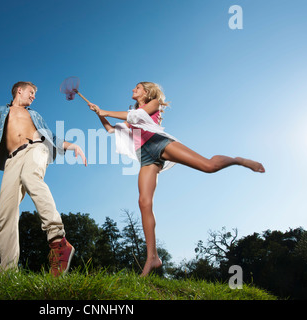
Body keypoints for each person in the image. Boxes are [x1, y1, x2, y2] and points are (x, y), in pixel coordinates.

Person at [88, 81, 265, 276]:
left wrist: (105, 111)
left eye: (136, 88)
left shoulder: (153, 103)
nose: (132, 90)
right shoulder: (129, 116)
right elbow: (112, 130)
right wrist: (99, 113)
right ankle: (152, 257)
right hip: (145, 157)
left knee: (208, 166)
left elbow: (137, 116)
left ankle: (237, 160)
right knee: (144, 202)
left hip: (159, 144)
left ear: (146, 92)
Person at [0, 81, 87, 276]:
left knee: (30, 176)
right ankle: (7, 272)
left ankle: (58, 241)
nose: (33, 96)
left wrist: (72, 145)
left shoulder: (34, 115)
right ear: (19, 90)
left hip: (36, 148)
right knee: (4, 212)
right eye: (31, 92)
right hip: (12, 159)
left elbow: (49, 135)